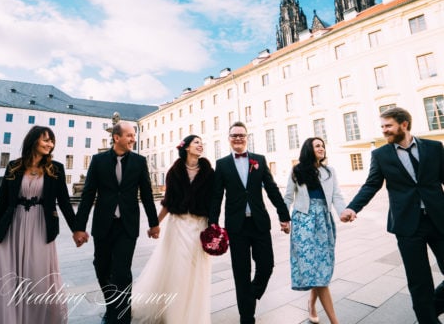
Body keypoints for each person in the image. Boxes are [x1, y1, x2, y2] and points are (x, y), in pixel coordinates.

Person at [340, 107, 444, 324]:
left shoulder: (434, 148)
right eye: (382, 127)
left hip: (439, 219)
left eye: (388, 126)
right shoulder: (381, 154)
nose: (384, 130)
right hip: (407, 226)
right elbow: (371, 185)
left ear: (404, 124)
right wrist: (353, 208)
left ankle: (429, 309)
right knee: (419, 281)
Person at [0, 125, 76, 324]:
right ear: (33, 141)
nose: (51, 144)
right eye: (46, 139)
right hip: (11, 229)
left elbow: (64, 202)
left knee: (37, 281)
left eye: (52, 141)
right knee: (11, 281)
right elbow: (2, 204)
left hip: (40, 228)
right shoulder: (13, 167)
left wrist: (77, 230)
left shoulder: (55, 168)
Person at [73, 121, 160, 324]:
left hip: (127, 225)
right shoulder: (98, 160)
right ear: (116, 137)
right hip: (103, 224)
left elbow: (147, 194)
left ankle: (121, 316)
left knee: (121, 271)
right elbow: (87, 195)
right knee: (102, 267)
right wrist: (79, 227)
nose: (133, 139)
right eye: (129, 135)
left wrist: (154, 223)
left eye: (134, 135)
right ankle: (112, 306)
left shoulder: (139, 162)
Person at [209, 121, 291, 324]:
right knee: (241, 272)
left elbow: (272, 189)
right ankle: (247, 317)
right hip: (236, 227)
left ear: (247, 137)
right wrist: (213, 223)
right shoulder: (222, 164)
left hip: (259, 223)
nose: (238, 138)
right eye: (234, 135)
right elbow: (216, 196)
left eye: (241, 135)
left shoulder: (259, 160)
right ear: (229, 139)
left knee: (267, 265)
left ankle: (251, 295)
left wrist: (284, 215)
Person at [132, 135, 214, 323]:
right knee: (178, 270)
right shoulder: (174, 171)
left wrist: (214, 226)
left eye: (202, 142)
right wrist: (156, 224)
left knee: (197, 269)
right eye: (196, 142)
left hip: (200, 225)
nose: (201, 145)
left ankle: (194, 313)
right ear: (186, 147)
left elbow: (214, 201)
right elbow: (168, 202)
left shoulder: (209, 172)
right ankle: (174, 314)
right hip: (177, 226)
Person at [284, 137, 346, 324]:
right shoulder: (297, 170)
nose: (321, 148)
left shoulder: (330, 171)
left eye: (323, 146)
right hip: (303, 222)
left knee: (321, 267)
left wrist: (344, 212)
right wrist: (284, 219)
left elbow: (336, 195)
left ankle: (311, 303)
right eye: (317, 145)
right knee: (315, 269)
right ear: (308, 149)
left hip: (324, 221)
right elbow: (287, 197)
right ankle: (335, 321)